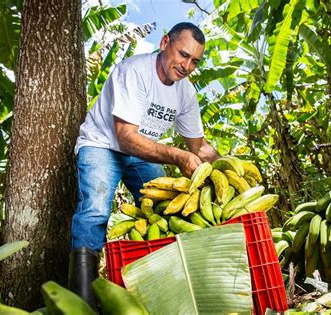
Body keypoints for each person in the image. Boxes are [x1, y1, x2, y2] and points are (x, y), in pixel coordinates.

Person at [68, 22, 221, 307]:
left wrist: (227, 166)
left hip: (143, 153)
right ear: (165, 43)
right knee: (95, 210)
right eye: (182, 54)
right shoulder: (134, 72)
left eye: (194, 61)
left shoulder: (185, 92)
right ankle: (81, 303)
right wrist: (176, 156)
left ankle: (159, 292)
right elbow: (126, 139)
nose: (187, 65)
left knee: (166, 211)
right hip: (102, 144)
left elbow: (198, 147)